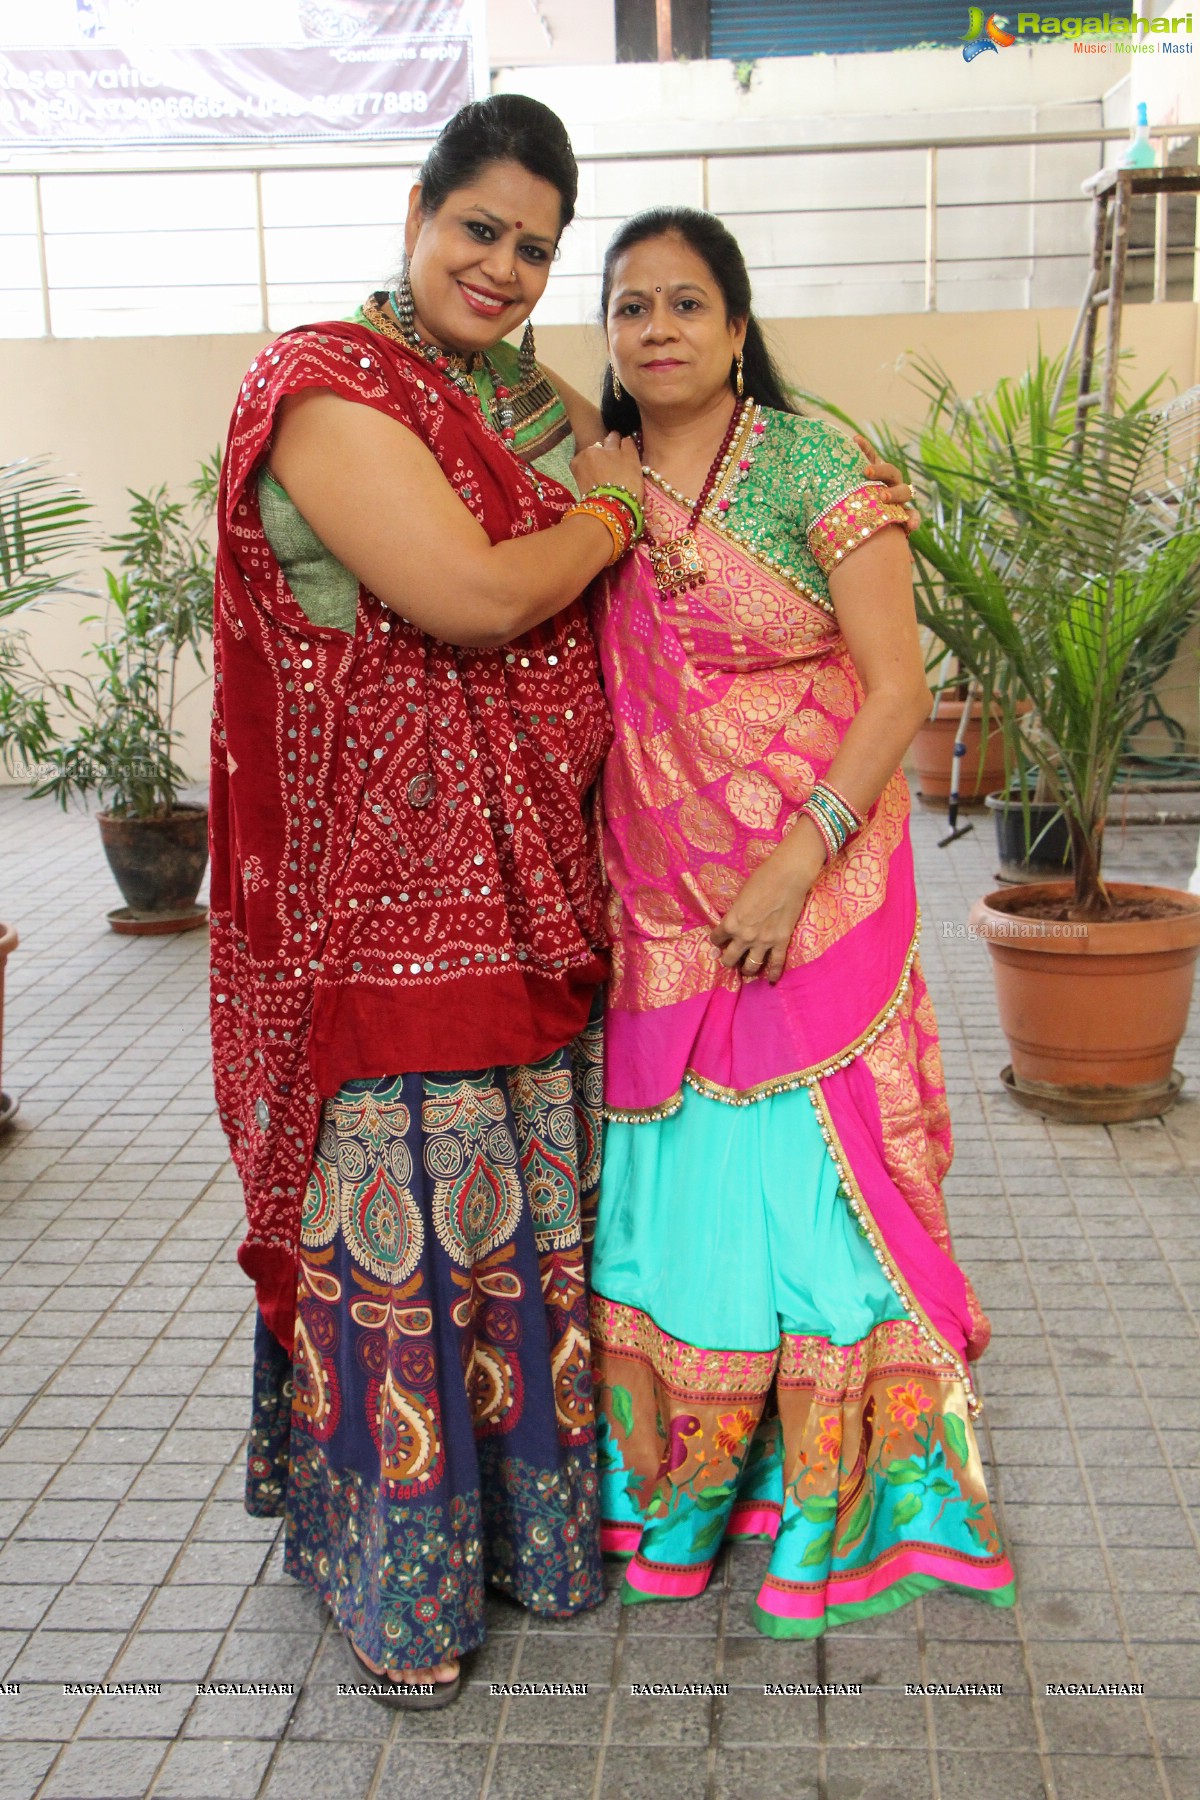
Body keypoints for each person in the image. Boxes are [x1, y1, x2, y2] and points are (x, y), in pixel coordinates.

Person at [209, 94, 647, 1704]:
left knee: (523, 1237)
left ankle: (533, 1546)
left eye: (536, 248)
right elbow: (467, 600)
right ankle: (402, 1602)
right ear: (418, 208)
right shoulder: (326, 388)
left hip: (538, 897)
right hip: (379, 923)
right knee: (407, 1248)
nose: (506, 266)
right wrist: (608, 513)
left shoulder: (525, 405)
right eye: (481, 229)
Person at [588, 208, 1016, 1636]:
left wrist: (795, 858)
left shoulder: (818, 464)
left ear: (735, 322)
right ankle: (697, 1480)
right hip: (659, 899)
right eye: (631, 306)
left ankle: (846, 1484)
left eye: (686, 303)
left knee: (813, 1207)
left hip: (809, 885)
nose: (658, 329)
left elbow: (897, 687)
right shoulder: (595, 483)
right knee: (690, 1208)